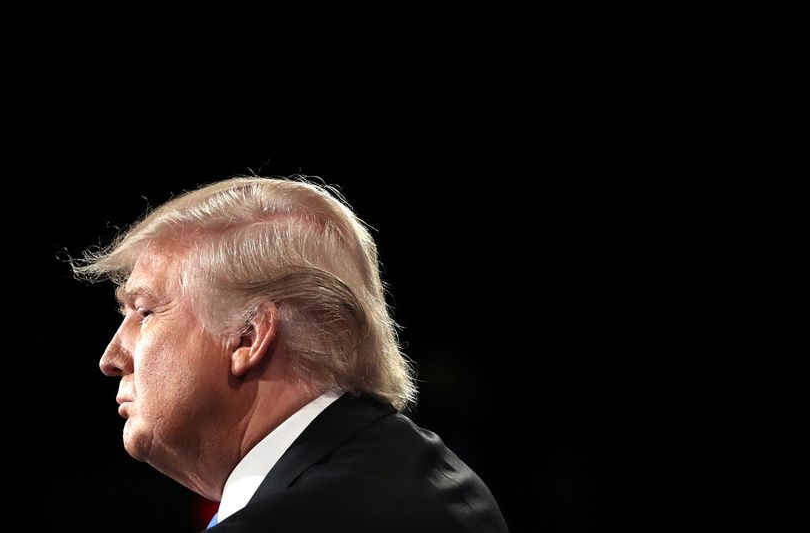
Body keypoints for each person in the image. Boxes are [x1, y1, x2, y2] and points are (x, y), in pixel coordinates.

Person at [71, 175, 510, 532]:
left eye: (144, 311)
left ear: (247, 337)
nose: (111, 357)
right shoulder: (424, 473)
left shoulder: (299, 519)